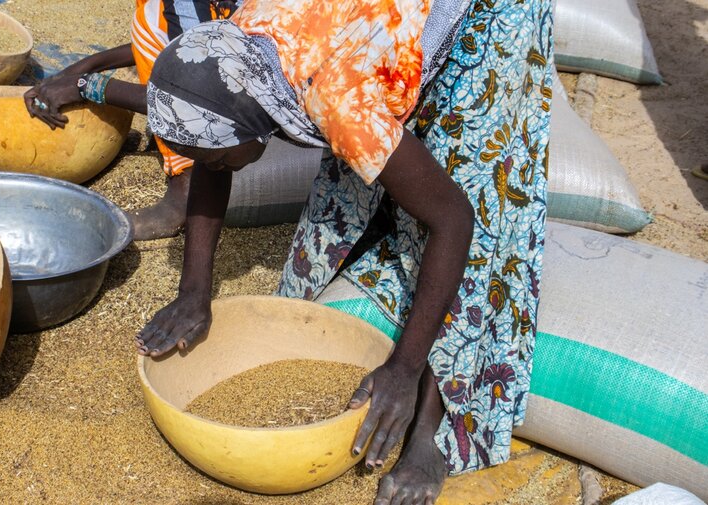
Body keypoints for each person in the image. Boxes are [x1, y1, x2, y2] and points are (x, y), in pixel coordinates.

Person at [136, 0, 553, 503]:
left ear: (248, 126)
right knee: (356, 173)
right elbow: (211, 153)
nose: (218, 166)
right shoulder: (233, 48)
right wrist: (194, 290)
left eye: (220, 157)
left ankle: (428, 434)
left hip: (480, 15)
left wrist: (403, 370)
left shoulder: (338, 99)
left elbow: (455, 218)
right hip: (355, 42)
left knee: (469, 184)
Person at [24, 0, 239, 240]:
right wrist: (86, 66)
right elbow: (178, 34)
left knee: (151, 17)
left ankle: (186, 186)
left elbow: (196, 94)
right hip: (242, 57)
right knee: (154, 15)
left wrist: (86, 85)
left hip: (261, 119)